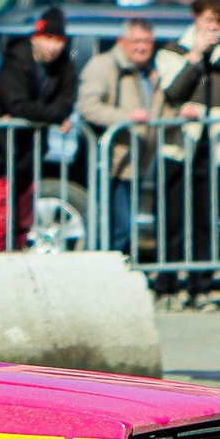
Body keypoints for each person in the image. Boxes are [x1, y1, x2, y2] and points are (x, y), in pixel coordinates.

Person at [163, 0, 220, 304]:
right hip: (180, 146)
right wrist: (194, 57)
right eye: (208, 19)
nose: (213, 26)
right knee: (172, 219)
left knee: (206, 221)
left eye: (218, 21)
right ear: (196, 17)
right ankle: (167, 287)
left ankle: (200, 288)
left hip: (215, 148)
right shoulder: (174, 50)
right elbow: (172, 93)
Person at [79, 16, 177, 264]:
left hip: (135, 162)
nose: (142, 47)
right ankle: (106, 280)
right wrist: (125, 118)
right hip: (110, 163)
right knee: (118, 227)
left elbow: (156, 112)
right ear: (121, 41)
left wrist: (178, 114)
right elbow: (88, 107)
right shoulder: (103, 65)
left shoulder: (150, 74)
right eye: (136, 41)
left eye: (147, 42)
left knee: (123, 226)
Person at [0, 6, 78, 248]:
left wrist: (47, 115)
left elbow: (65, 104)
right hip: (1, 152)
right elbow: (17, 105)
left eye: (58, 40)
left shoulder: (64, 66)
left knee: (23, 219)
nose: (52, 46)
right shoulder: (16, 59)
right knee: (0, 218)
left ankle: (16, 262)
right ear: (35, 37)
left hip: (30, 155)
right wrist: (52, 116)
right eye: (47, 38)